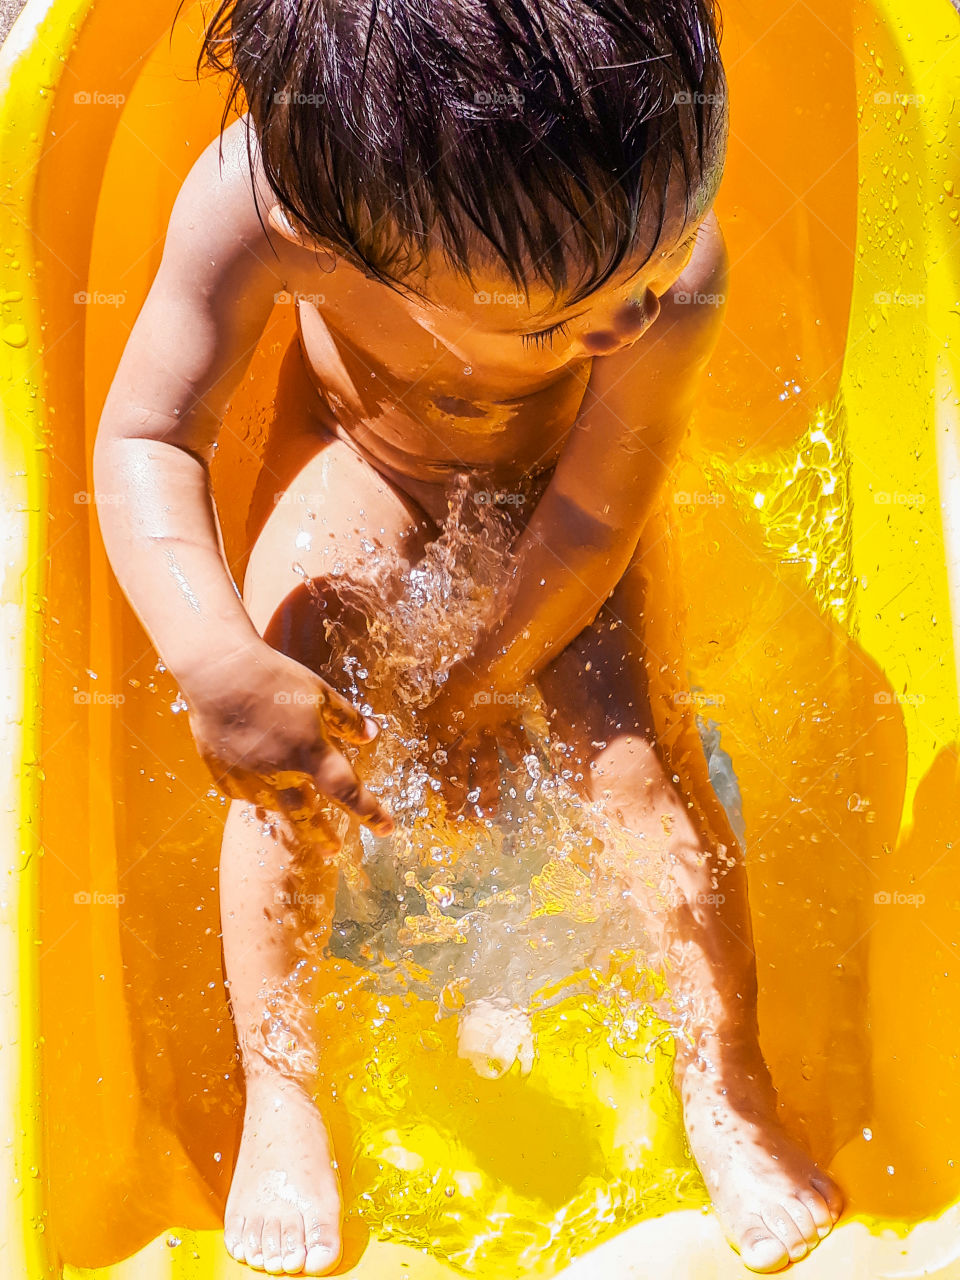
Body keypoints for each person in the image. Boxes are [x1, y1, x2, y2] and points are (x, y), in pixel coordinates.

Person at [92, 0, 844, 1273]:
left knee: (635, 768)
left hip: (566, 496)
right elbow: (149, 435)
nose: (621, 325)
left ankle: (730, 1077)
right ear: (337, 244)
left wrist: (477, 686)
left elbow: (596, 513)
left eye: (646, 277)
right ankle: (285, 1090)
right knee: (291, 766)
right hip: (360, 455)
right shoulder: (262, 205)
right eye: (553, 322)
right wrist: (214, 655)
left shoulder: (663, 263)